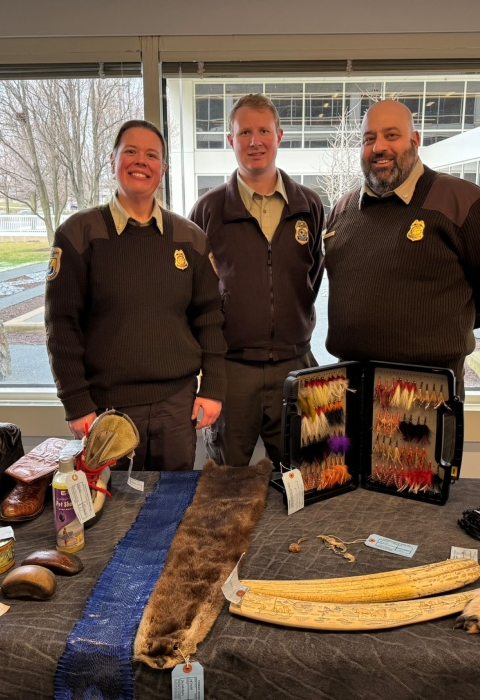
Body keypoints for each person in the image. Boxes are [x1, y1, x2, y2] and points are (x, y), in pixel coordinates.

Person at [45, 119, 226, 471]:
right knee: (111, 515)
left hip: (177, 406)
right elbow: (61, 326)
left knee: (172, 507)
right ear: (112, 161)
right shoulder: (78, 235)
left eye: (151, 155)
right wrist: (76, 402)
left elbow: (210, 318)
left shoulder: (190, 238)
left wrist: (214, 387)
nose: (140, 161)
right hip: (106, 409)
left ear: (163, 169)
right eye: (130, 151)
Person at [190, 94, 324, 468]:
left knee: (300, 474)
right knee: (226, 479)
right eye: (244, 131)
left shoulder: (309, 205)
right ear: (230, 140)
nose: (255, 141)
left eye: (263, 130)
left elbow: (312, 276)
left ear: (279, 135)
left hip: (294, 365)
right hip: (232, 372)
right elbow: (195, 296)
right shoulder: (207, 210)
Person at [324, 99, 480, 400]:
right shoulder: (342, 212)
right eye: (369, 139)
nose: (378, 147)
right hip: (347, 392)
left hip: (426, 396)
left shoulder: (462, 203)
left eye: (391, 135)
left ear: (415, 140)